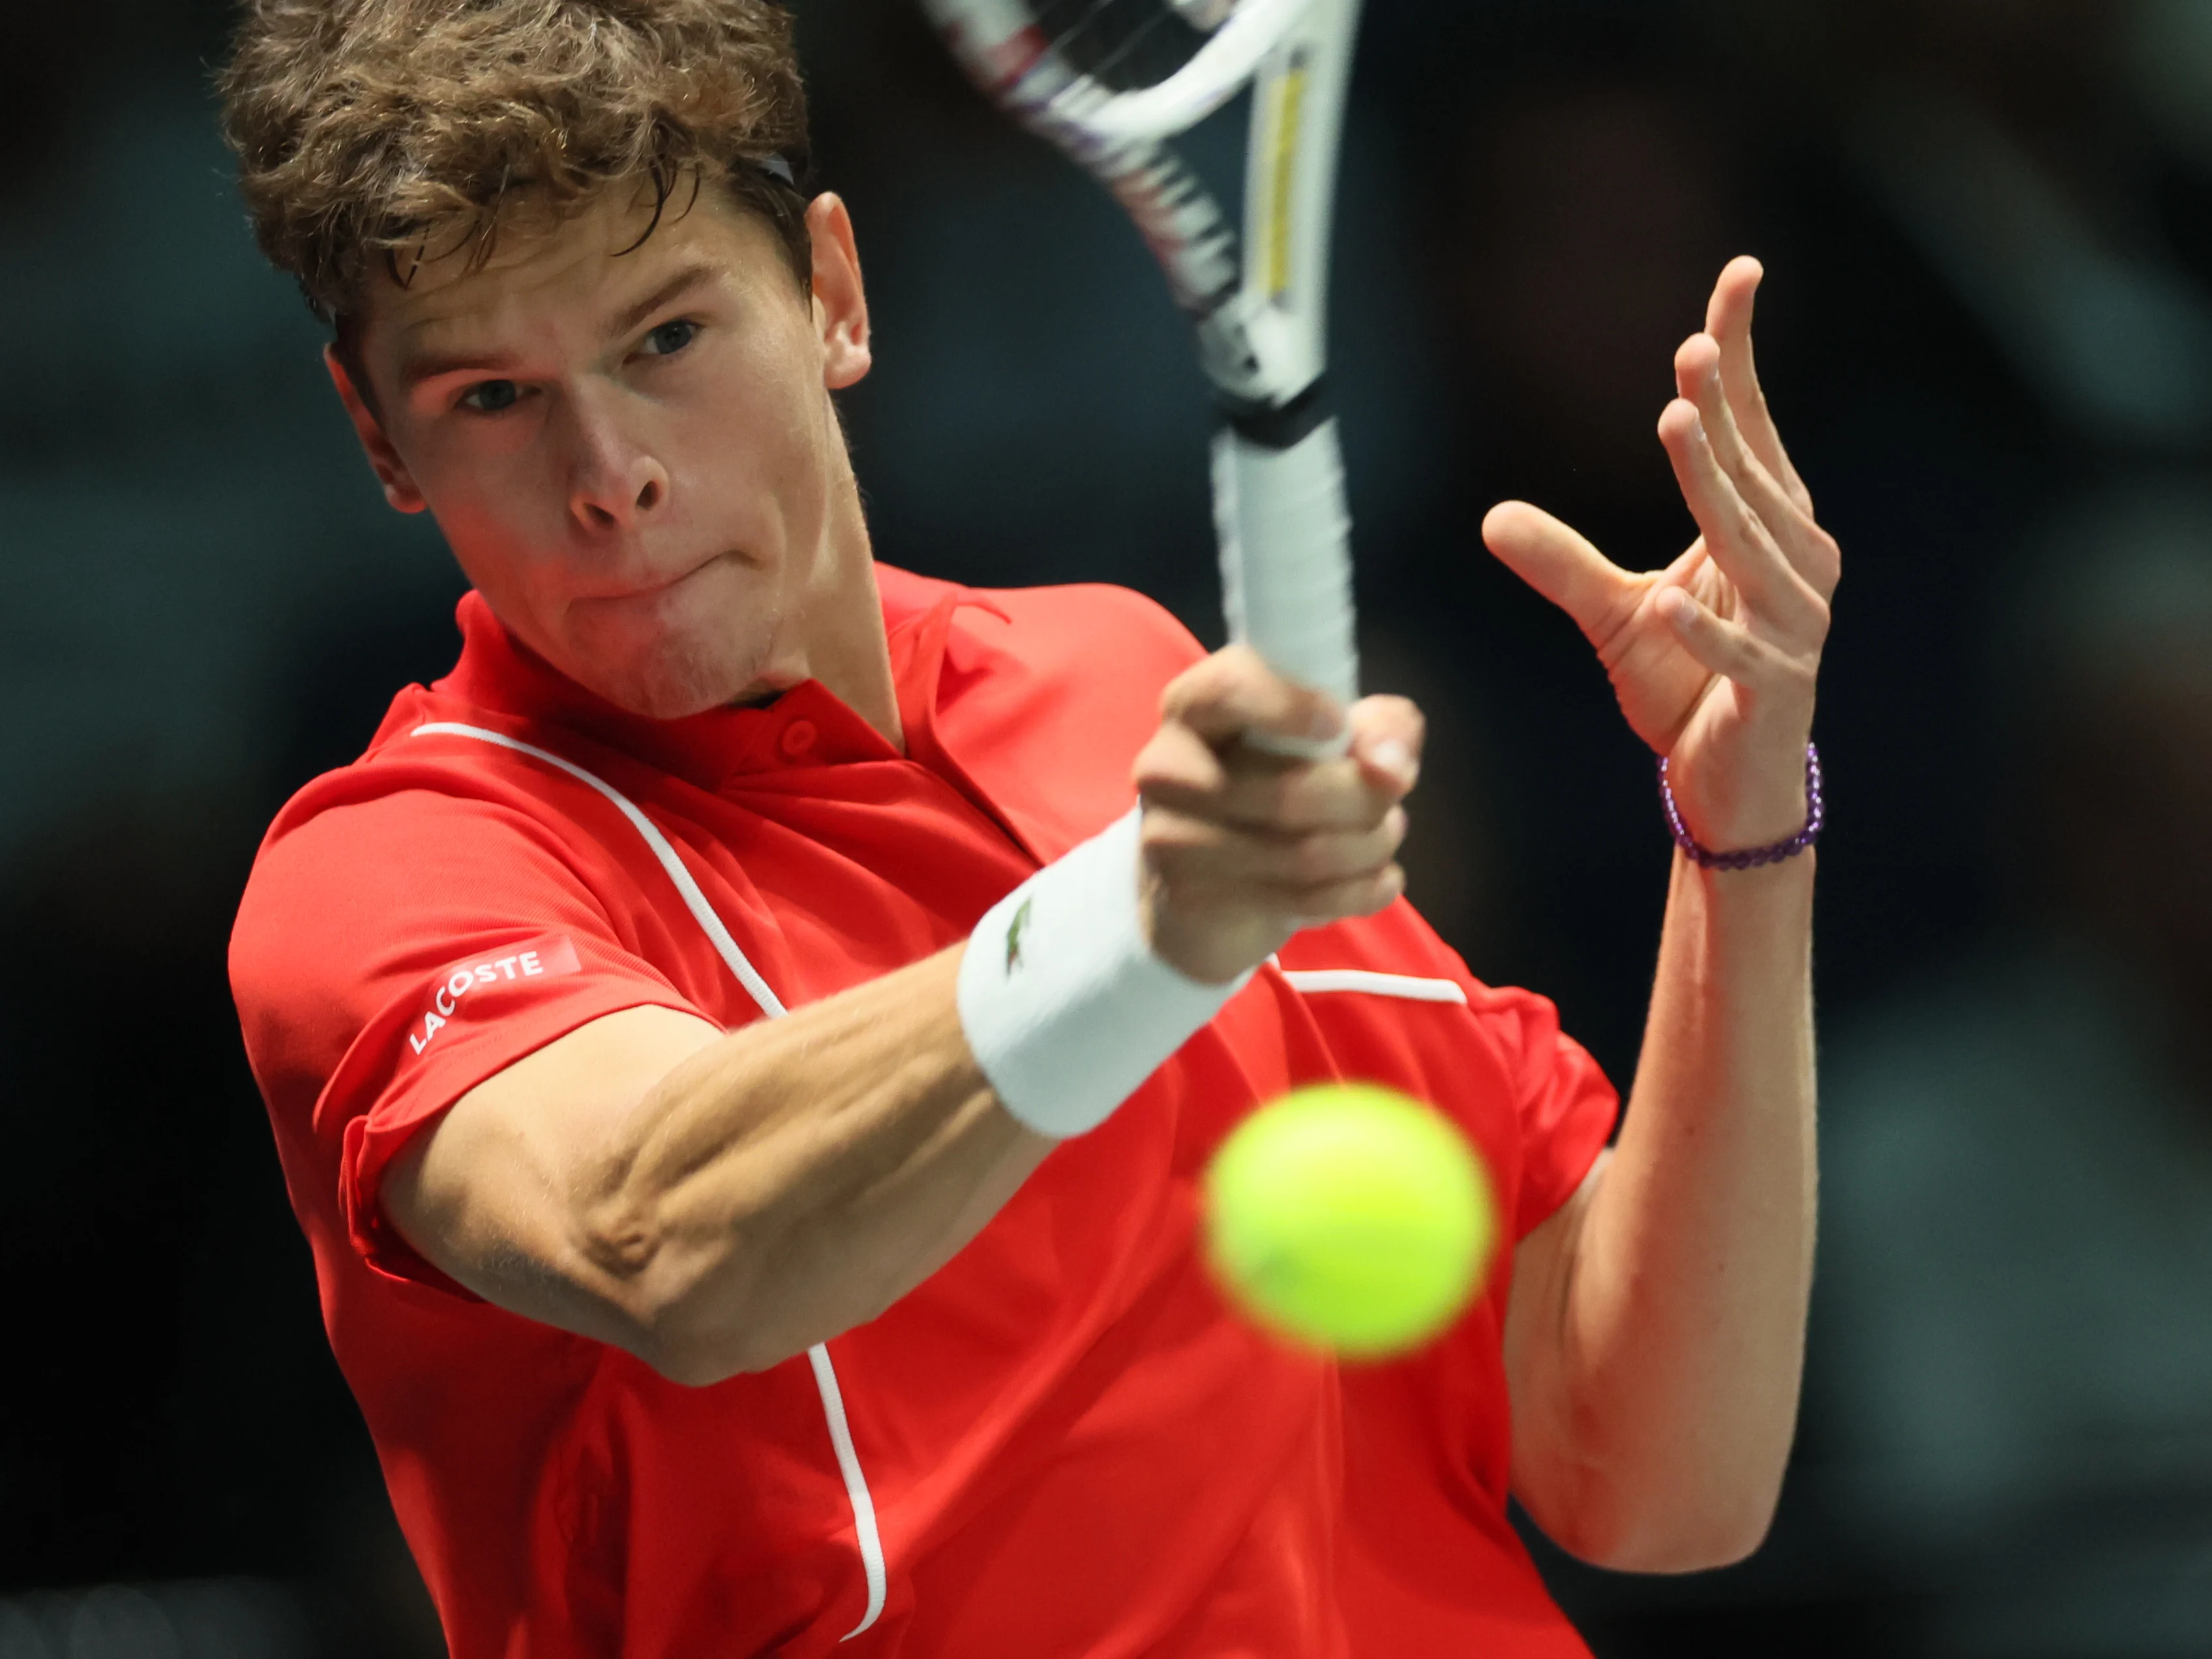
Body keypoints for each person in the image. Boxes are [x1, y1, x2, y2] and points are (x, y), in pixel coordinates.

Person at [220, 2, 1837, 1653]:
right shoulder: (396, 872)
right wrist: (1139, 925)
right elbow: (659, 1238)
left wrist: (1740, 828)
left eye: (666, 340)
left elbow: (1658, 1473)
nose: (609, 473)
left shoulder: (1127, 687)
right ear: (380, 438)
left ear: (832, 297)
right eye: (492, 396)